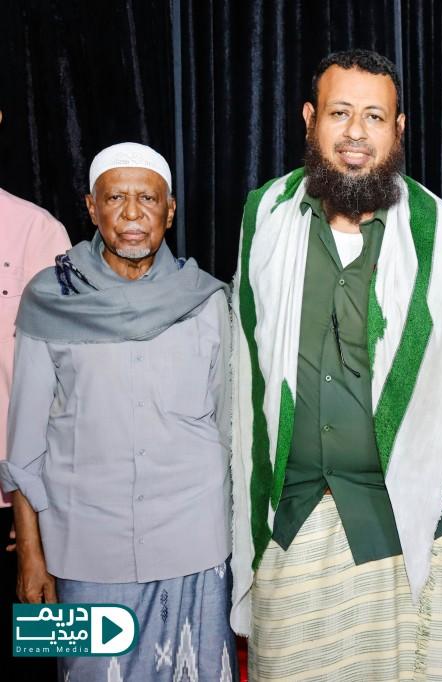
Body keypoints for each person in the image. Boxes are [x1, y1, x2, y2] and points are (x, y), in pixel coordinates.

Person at [230, 49, 442, 680]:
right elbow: (245, 366)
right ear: (310, 120)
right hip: (292, 520)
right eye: (339, 113)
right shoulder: (265, 219)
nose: (356, 132)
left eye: (374, 117)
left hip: (412, 527)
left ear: (398, 128)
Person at [0, 142, 234, 681]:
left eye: (147, 199)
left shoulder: (207, 299)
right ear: (91, 207)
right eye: (115, 198)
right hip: (83, 550)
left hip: (195, 548)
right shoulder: (48, 298)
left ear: (169, 210)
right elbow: (25, 445)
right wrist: (30, 555)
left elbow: (226, 433)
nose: (132, 214)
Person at [0, 109, 71, 681]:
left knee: (35, 659)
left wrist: (34, 529)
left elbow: (64, 394)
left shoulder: (38, 232)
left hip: (17, 517)